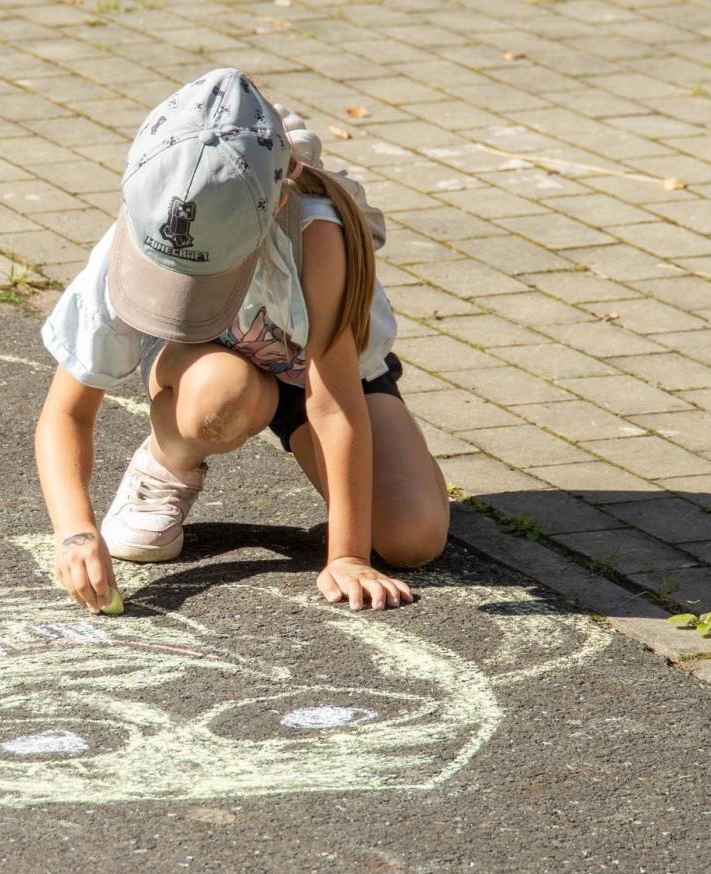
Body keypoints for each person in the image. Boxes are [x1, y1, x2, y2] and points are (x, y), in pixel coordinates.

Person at [35, 68, 449, 614]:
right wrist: (75, 533)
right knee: (222, 396)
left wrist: (346, 556)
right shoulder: (146, 220)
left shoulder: (317, 233)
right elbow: (65, 413)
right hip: (205, 368)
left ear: (276, 205)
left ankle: (316, 468)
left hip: (313, 381)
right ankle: (167, 460)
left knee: (412, 538)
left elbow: (333, 406)